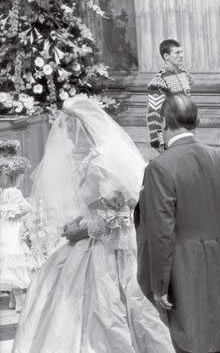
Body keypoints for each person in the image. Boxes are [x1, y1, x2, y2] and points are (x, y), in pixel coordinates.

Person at [13, 96, 173, 353]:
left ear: (82, 129)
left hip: (110, 251)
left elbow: (120, 215)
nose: (68, 138)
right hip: (93, 240)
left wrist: (81, 230)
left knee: (113, 307)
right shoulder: (91, 158)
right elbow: (96, 207)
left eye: (70, 131)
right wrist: (77, 221)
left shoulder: (103, 162)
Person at [136, 94, 220, 353]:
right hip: (219, 258)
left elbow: (160, 232)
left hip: (182, 265)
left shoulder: (159, 167)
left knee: (190, 342)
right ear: (196, 121)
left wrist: (159, 284)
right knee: (218, 338)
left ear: (164, 122)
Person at [0, 139, 35, 313]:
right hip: (13, 230)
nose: (22, 179)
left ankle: (13, 300)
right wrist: (30, 206)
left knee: (10, 263)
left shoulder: (3, 192)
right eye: (21, 176)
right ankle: (20, 302)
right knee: (16, 264)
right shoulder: (14, 192)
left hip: (5, 230)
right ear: (15, 177)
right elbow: (18, 210)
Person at [147, 39, 194, 152]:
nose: (181, 55)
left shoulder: (184, 75)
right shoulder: (159, 80)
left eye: (181, 52)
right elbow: (154, 112)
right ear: (166, 56)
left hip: (187, 128)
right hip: (171, 130)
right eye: (177, 53)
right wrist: (157, 140)